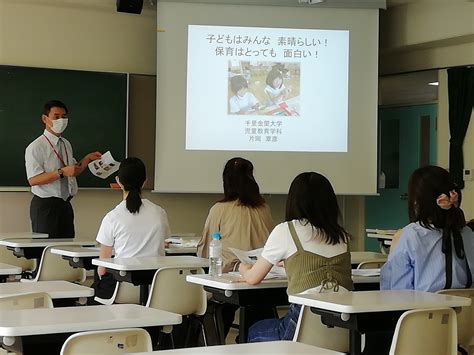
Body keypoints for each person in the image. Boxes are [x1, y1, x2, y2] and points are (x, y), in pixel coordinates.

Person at [239, 172, 353, 342]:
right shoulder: (341, 235)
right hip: (343, 329)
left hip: (300, 325)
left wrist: (243, 268)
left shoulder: (286, 230)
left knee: (254, 330)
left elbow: (254, 278)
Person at [197, 157, 273, 337]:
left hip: (228, 282)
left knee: (212, 308)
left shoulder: (219, 209)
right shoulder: (263, 208)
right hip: (262, 280)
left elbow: (205, 250)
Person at [381, 165, 474, 291]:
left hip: (423, 310)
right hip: (467, 309)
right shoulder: (468, 234)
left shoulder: (409, 235)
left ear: (417, 201)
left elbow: (397, 293)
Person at [93, 157, 171, 300]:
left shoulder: (112, 217)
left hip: (122, 289)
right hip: (155, 288)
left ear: (118, 181)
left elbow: (102, 268)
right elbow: (164, 242)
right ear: (145, 180)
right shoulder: (159, 213)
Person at [25, 100, 101, 238]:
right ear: (45, 118)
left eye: (64, 117)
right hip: (46, 206)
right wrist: (61, 172)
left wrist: (86, 159)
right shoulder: (36, 147)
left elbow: (72, 171)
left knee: (66, 247)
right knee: (44, 249)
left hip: (65, 204)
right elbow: (33, 179)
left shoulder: (66, 144)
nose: (61, 120)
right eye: (56, 116)